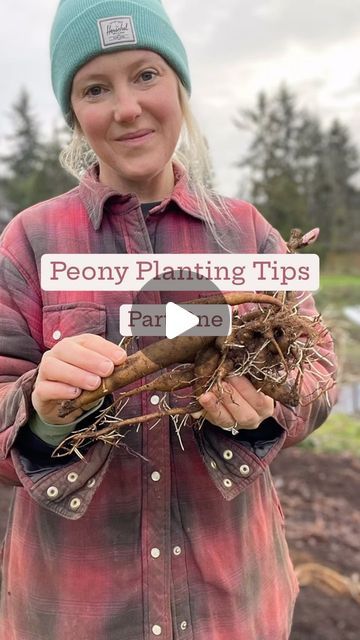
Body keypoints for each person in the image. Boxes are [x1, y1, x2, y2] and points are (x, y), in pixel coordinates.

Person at [0, 1, 337, 639]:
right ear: (76, 113)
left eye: (146, 75)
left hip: (232, 607)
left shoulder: (247, 235)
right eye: (96, 88)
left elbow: (318, 371)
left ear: (179, 85)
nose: (126, 107)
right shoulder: (31, 242)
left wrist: (268, 405)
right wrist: (39, 412)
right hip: (77, 612)